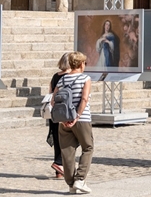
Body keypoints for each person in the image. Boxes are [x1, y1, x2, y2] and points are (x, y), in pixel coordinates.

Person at [53, 51, 93, 195]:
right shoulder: (85, 78)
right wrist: (77, 116)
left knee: (67, 151)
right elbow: (84, 99)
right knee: (88, 147)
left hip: (63, 120)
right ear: (81, 64)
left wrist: (64, 119)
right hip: (81, 119)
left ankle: (71, 184)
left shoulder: (62, 80)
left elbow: (53, 100)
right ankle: (80, 179)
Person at [47, 53, 70, 179]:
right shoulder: (69, 77)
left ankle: (59, 170)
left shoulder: (55, 76)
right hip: (65, 111)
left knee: (57, 139)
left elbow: (50, 92)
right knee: (69, 139)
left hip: (55, 111)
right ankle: (59, 163)